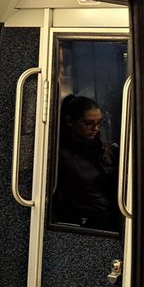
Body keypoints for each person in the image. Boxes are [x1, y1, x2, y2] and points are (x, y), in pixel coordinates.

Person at [52, 95, 120, 232]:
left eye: (99, 123)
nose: (95, 129)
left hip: (106, 219)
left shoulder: (103, 148)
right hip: (84, 224)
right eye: (88, 123)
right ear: (70, 122)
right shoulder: (60, 155)